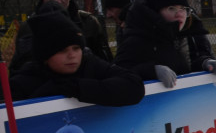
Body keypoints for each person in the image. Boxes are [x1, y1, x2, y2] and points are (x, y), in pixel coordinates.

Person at [116, 0, 216, 88]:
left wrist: (205, 63)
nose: (179, 14)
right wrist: (152, 70)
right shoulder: (138, 37)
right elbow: (118, 72)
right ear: (156, 12)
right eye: (171, 8)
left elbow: (186, 67)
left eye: (183, 9)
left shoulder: (186, 33)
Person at [9, 11, 144, 106]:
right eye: (62, 50)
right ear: (45, 56)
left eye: (76, 48)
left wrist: (77, 88)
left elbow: (134, 87)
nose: (72, 55)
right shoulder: (23, 82)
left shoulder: (90, 64)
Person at [11, 0, 113, 71]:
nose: (57, 1)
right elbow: (20, 66)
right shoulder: (30, 27)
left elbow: (104, 60)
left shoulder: (88, 22)